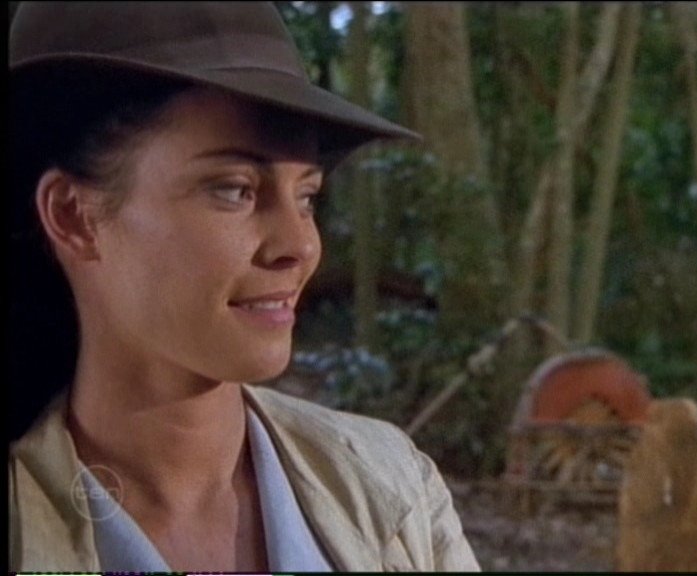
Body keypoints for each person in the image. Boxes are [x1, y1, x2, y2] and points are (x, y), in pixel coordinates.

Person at [8, 2, 481, 572]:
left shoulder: (391, 486)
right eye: (235, 190)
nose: (300, 246)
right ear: (73, 217)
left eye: (307, 197)